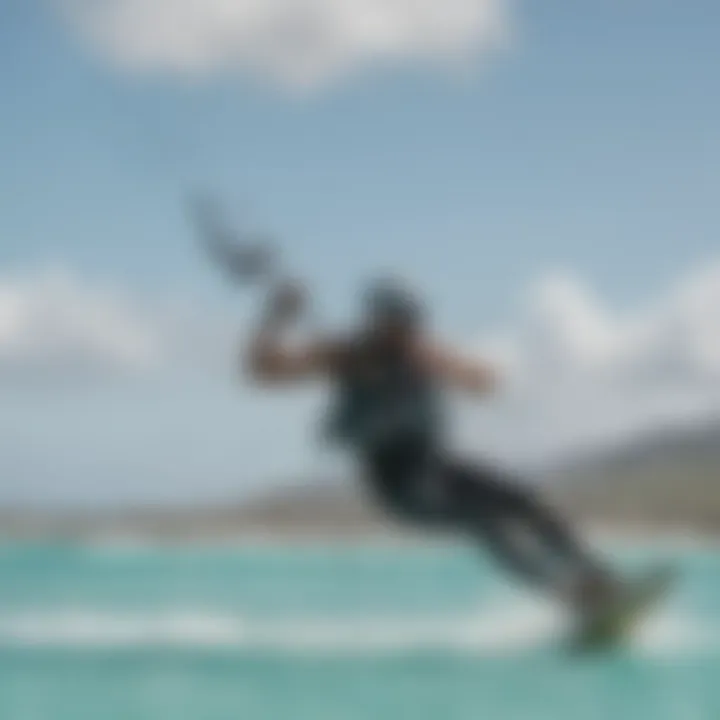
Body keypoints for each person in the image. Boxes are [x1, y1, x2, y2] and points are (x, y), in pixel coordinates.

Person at [243, 275, 618, 618]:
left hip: (438, 465)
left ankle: (596, 579)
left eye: (413, 323)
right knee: (488, 523)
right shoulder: (345, 355)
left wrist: (446, 368)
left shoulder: (422, 354)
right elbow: (262, 370)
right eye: (402, 324)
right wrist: (277, 315)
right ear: (379, 321)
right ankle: (567, 596)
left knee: (526, 503)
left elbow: (484, 383)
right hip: (399, 484)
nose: (410, 331)